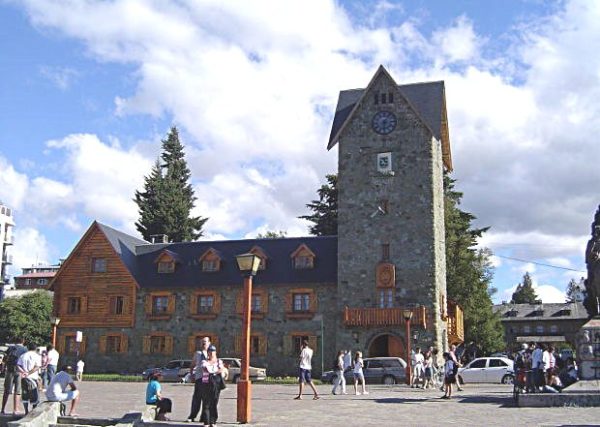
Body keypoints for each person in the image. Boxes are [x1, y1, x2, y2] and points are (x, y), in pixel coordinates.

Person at [187, 336, 211, 423]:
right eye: (202, 342)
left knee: (206, 399)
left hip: (208, 379)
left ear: (209, 343)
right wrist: (192, 374)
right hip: (199, 378)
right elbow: (192, 365)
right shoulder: (198, 353)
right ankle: (192, 416)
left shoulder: (211, 353)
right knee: (197, 398)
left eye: (205, 342)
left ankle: (204, 417)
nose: (204, 343)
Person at [1, 337, 27, 415]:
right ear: (23, 341)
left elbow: (5, 358)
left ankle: (2, 409)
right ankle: (16, 409)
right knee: (17, 391)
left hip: (9, 370)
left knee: (6, 391)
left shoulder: (10, 348)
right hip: (19, 371)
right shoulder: (24, 349)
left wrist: (4, 367)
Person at [199, 345, 224, 427]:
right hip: (206, 382)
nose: (211, 353)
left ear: (215, 352)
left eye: (213, 351)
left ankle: (213, 421)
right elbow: (205, 369)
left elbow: (221, 369)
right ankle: (206, 421)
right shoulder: (204, 361)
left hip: (216, 383)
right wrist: (214, 371)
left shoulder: (219, 361)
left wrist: (214, 371)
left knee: (214, 402)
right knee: (206, 402)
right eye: (209, 352)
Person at [17, 343, 42, 414]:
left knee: (25, 394)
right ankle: (33, 411)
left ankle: (26, 411)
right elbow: (37, 367)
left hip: (24, 378)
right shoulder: (37, 356)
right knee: (34, 395)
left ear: (28, 348)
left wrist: (24, 372)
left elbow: (18, 365)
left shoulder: (23, 355)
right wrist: (28, 373)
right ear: (35, 348)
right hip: (33, 378)